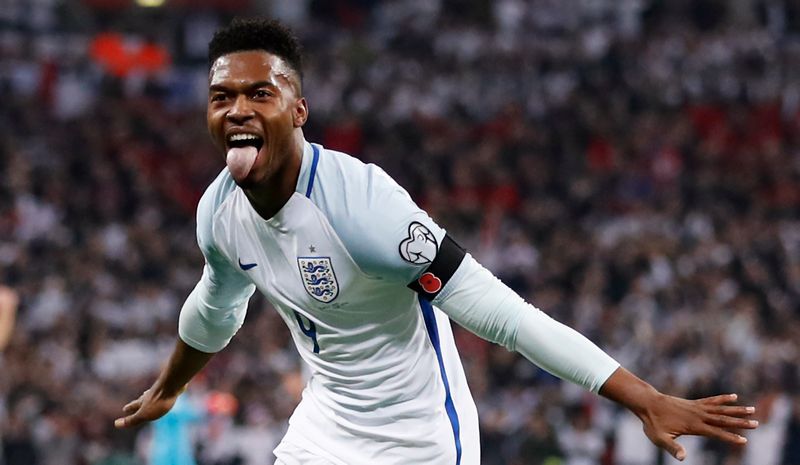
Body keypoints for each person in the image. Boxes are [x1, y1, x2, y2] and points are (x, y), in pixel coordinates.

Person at [114, 18, 758, 464]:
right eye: (221, 97)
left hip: (418, 440)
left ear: (299, 110)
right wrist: (170, 388)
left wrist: (642, 398)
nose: (237, 110)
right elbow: (214, 308)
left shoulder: (363, 210)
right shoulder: (219, 212)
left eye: (261, 93)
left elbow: (507, 318)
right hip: (324, 428)